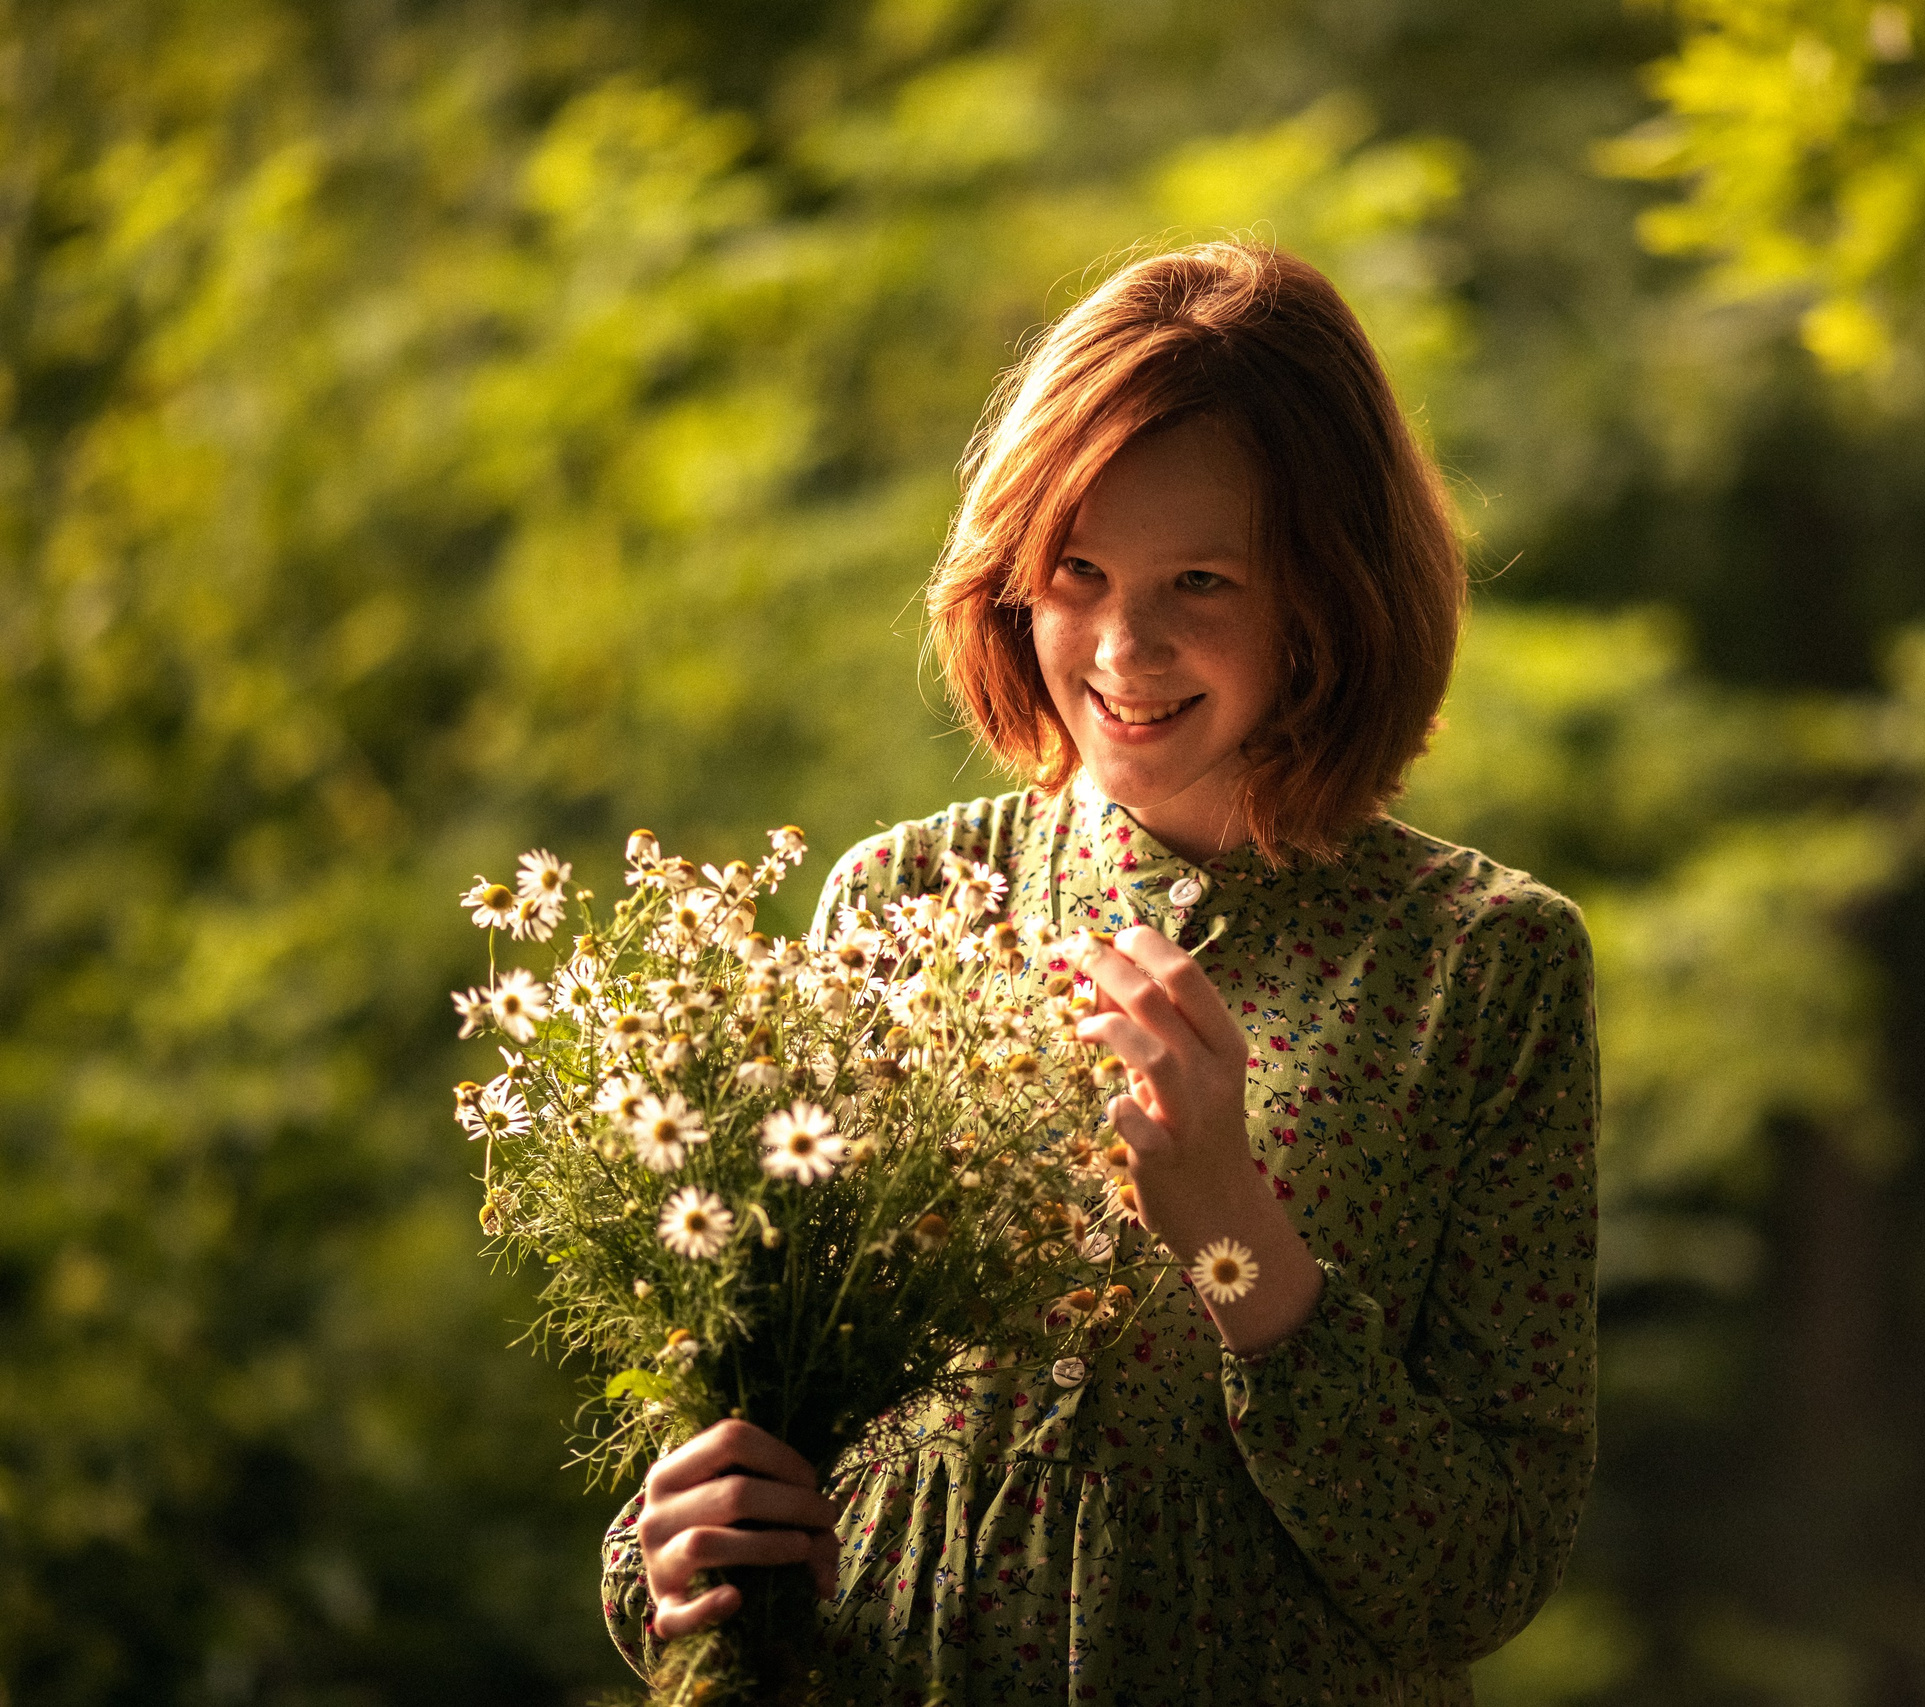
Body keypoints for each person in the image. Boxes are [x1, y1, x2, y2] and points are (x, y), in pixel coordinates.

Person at [599, 241, 1599, 1704]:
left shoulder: (1483, 964)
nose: (1124, 648)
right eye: (1077, 573)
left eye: (1201, 580)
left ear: (1328, 593)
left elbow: (1476, 1577)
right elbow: (762, 1428)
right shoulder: (899, 900)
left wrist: (1228, 1237)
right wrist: (666, 1557)